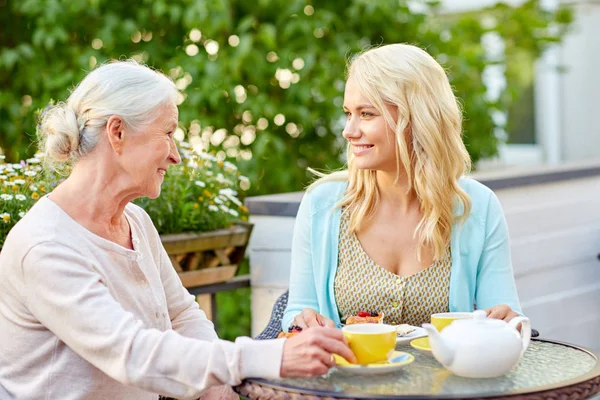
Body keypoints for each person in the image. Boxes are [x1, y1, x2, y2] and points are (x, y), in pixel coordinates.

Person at [0, 60, 355, 400]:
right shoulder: (46, 245)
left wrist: (218, 386)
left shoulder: (135, 221)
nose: (176, 156)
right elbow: (132, 353)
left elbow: (182, 315)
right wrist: (271, 356)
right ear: (118, 132)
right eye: (168, 133)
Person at [282, 44, 523, 331]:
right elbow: (298, 311)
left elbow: (504, 315)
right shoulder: (322, 205)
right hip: (348, 375)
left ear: (417, 118)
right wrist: (300, 323)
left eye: (367, 114)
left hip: (447, 376)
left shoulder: (477, 207)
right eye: (348, 113)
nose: (349, 130)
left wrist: (508, 322)